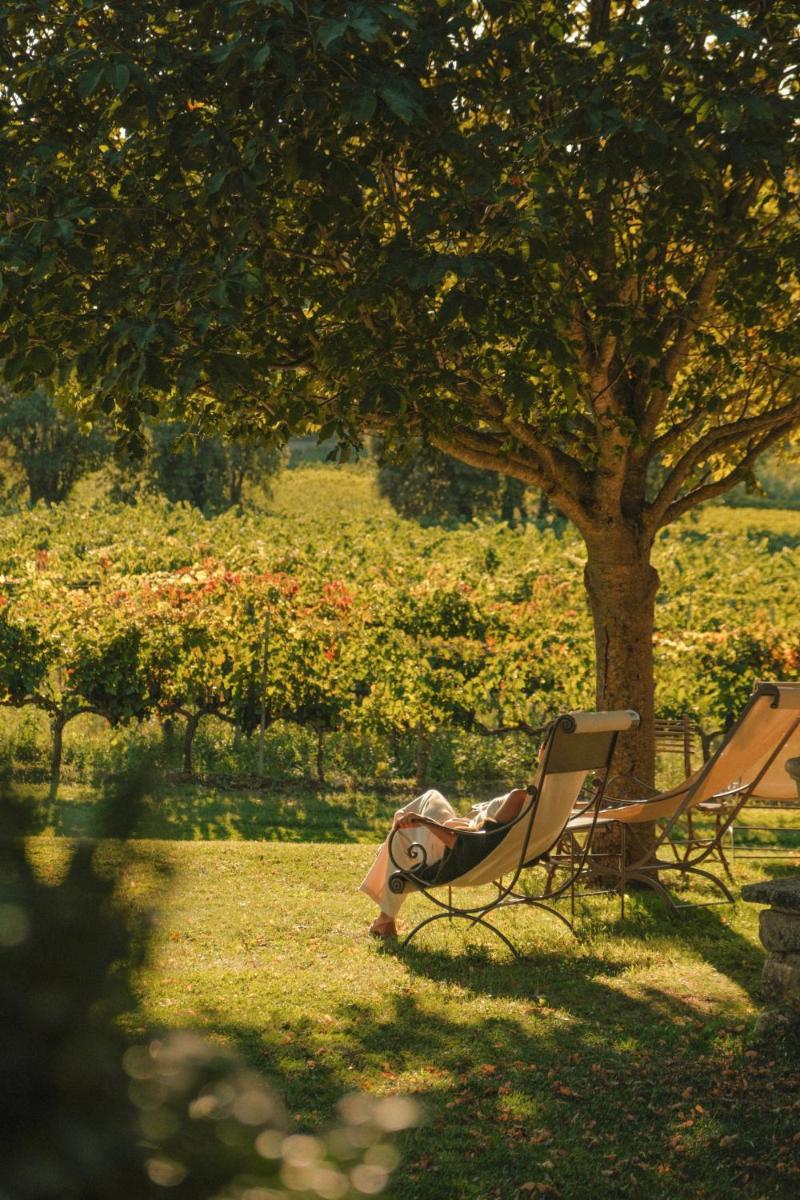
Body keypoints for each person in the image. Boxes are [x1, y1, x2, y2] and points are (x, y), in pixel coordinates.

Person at [359, 786, 529, 937]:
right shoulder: (545, 805)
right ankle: (385, 919)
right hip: (456, 838)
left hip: (449, 851)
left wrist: (426, 822)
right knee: (413, 814)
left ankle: (385, 919)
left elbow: (470, 848)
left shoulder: (520, 797)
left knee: (402, 832)